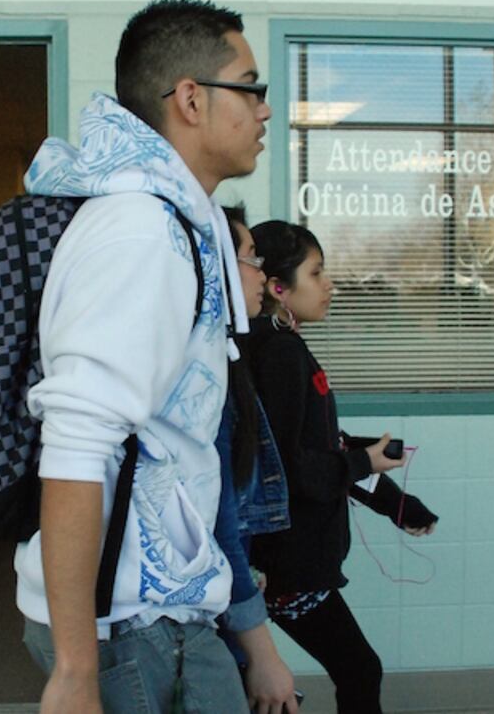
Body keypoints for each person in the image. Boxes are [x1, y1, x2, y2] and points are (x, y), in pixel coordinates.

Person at [17, 0, 290, 714]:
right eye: (252, 88)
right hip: (129, 624)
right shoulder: (141, 232)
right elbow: (77, 445)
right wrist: (77, 670)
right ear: (192, 100)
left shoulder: (178, 220)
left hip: (165, 608)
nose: (266, 111)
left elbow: (187, 442)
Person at [244, 220, 438, 714]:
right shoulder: (280, 353)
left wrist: (396, 503)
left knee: (276, 683)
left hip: (287, 562)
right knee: (358, 668)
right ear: (278, 288)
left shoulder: (279, 347)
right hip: (288, 566)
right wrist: (360, 460)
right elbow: (288, 467)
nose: (329, 284)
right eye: (317, 272)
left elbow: (322, 446)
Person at [212, 205, 296, 707]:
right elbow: (219, 516)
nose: (262, 272)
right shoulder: (211, 368)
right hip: (220, 600)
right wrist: (261, 649)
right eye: (248, 256)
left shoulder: (231, 352)